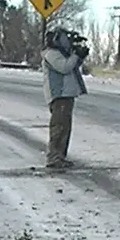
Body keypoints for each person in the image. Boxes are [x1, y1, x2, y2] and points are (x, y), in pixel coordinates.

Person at [42, 26, 89, 169]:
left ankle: (60, 156)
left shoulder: (61, 53)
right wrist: (75, 56)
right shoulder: (51, 54)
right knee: (58, 127)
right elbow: (65, 67)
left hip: (66, 95)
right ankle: (54, 157)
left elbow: (72, 66)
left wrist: (80, 56)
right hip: (59, 95)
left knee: (65, 128)